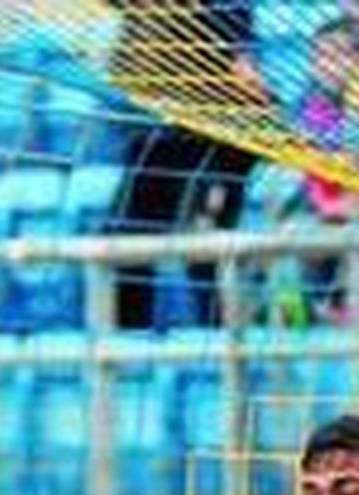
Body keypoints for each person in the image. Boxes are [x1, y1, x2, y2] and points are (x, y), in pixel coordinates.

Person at [109, 0, 262, 329]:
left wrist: (242, 60)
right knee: (126, 236)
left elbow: (245, 66)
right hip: (157, 124)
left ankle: (223, 337)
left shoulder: (223, 19)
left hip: (213, 127)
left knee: (204, 237)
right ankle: (129, 341)